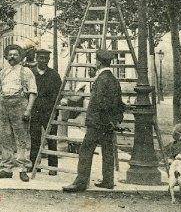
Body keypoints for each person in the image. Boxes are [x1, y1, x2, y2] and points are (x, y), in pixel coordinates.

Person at [63, 50, 126, 192]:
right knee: (108, 151)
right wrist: (114, 120)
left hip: (97, 123)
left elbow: (98, 102)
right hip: (108, 123)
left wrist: (94, 120)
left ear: (98, 62)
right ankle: (108, 181)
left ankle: (80, 183)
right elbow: (119, 103)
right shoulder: (114, 80)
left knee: (85, 151)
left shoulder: (101, 79)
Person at [0, 44, 37, 182]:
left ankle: (23, 169)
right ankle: (7, 168)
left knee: (22, 138)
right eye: (10, 55)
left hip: (20, 105)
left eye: (15, 54)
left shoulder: (26, 71)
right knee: (5, 137)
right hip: (4, 106)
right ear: (6, 56)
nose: (12, 57)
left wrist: (28, 110)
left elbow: (32, 92)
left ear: (20, 57)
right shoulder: (3, 72)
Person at [29, 49, 62, 175]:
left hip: (50, 112)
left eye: (45, 58)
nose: (43, 60)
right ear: (36, 58)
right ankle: (34, 165)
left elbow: (58, 94)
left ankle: (53, 167)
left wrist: (55, 109)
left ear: (48, 59)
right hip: (35, 111)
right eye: (40, 58)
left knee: (52, 139)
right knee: (35, 139)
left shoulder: (54, 75)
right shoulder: (31, 73)